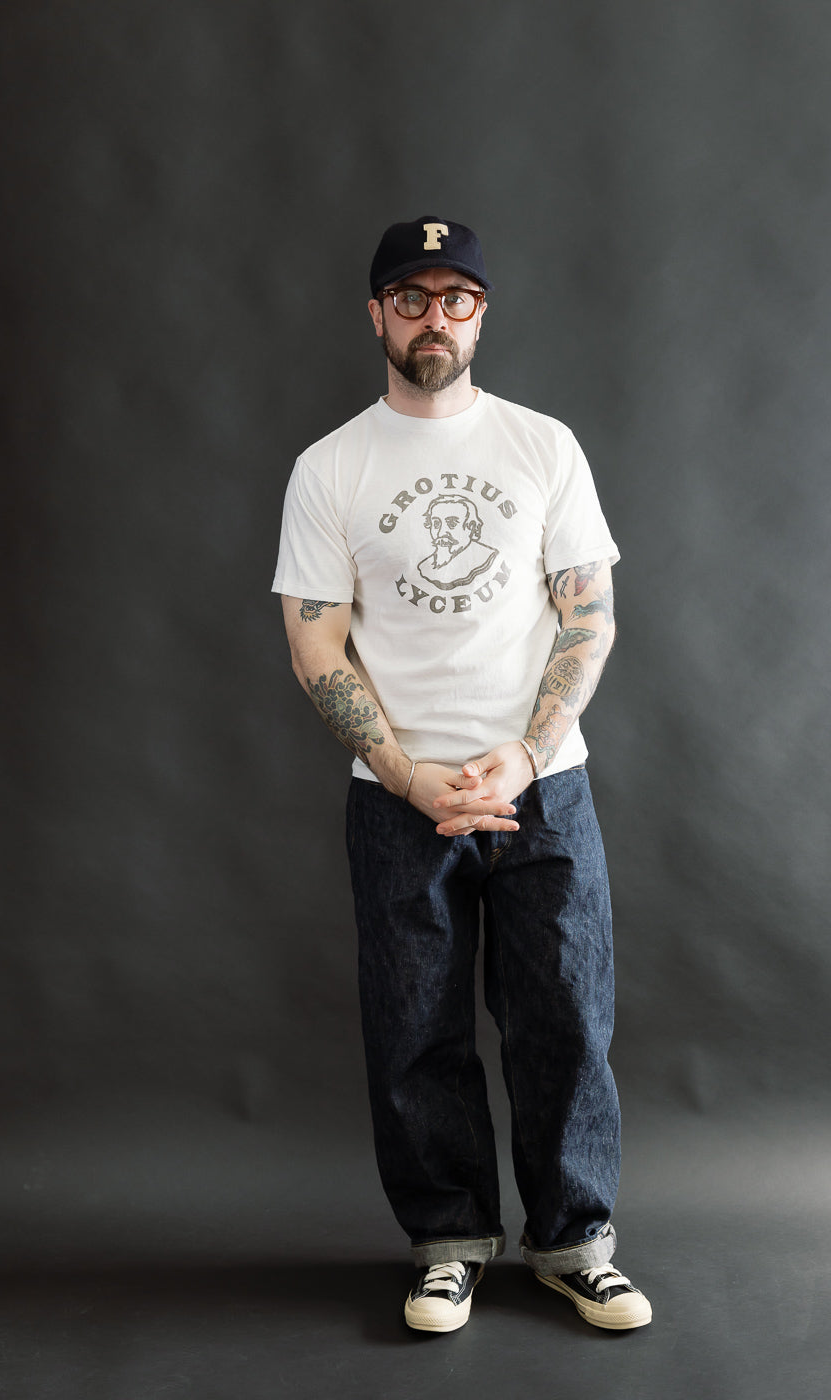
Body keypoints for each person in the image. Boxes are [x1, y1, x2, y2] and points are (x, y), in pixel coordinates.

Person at [273, 215, 652, 1334]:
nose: (432, 317)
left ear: (481, 314)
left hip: (545, 788)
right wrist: (406, 773)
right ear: (377, 314)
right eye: (410, 297)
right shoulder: (331, 467)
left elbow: (588, 617)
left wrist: (526, 754)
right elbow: (314, 645)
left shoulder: (543, 446)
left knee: (565, 1020)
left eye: (455, 298)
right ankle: (448, 1244)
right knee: (415, 1029)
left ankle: (575, 1242)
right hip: (399, 801)